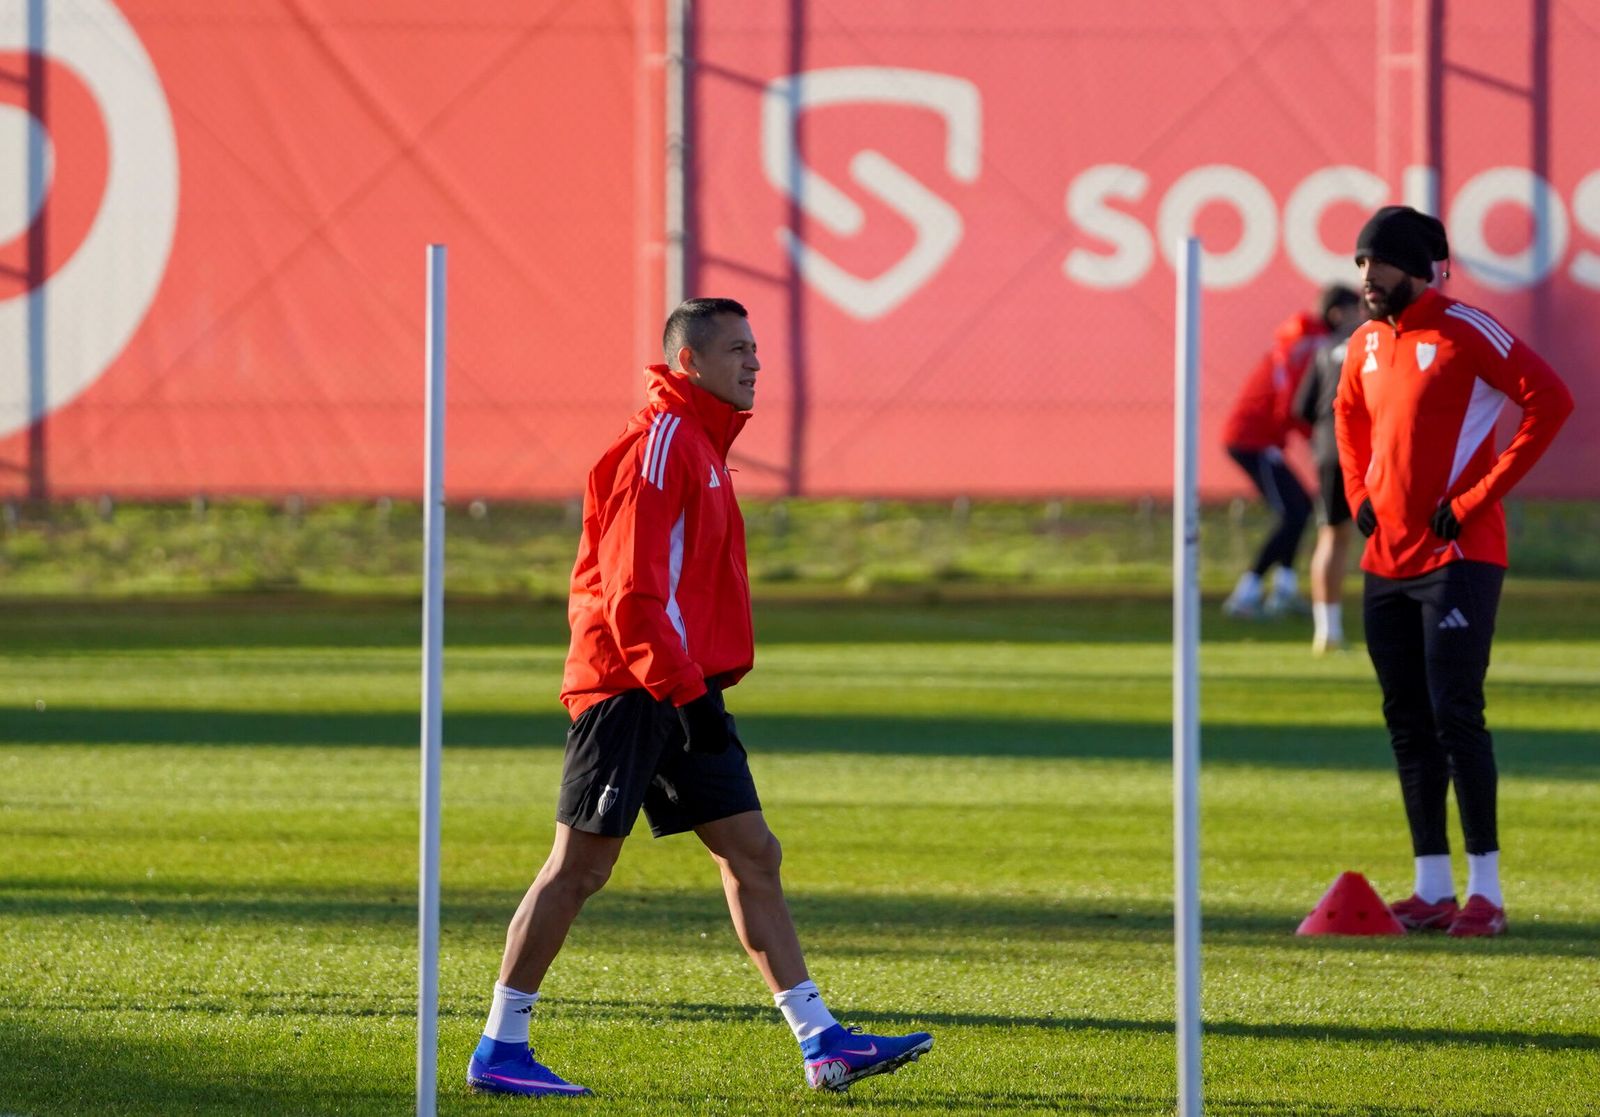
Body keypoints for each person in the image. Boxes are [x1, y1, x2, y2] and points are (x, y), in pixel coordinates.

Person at [466, 298, 934, 1097]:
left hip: (683, 686)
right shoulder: (662, 443)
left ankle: (822, 1042)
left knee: (753, 854)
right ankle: (500, 1047)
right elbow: (630, 593)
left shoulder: (704, 444)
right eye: (737, 349)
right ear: (689, 361)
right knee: (579, 867)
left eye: (755, 348)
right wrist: (684, 693)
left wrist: (696, 691)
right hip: (631, 687)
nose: (755, 362)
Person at [1334, 206, 1573, 938]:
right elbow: (1347, 418)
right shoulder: (1363, 343)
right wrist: (1358, 494)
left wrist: (1474, 499)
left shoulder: (1467, 329)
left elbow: (1550, 401)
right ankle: (1431, 887)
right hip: (1386, 561)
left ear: (1416, 266)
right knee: (1407, 720)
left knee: (1455, 714)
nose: (1367, 275)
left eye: (1379, 261)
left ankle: (1486, 894)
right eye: (1361, 262)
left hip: (1458, 558)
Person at [1220, 287, 1358, 618]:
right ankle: (1246, 594)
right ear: (1338, 313)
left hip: (1260, 438)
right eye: (1355, 311)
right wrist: (1322, 442)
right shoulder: (1315, 345)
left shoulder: (1304, 340)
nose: (1361, 319)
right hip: (1253, 439)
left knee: (1300, 510)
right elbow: (1297, 405)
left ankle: (1283, 588)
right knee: (1294, 514)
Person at [1292, 287, 1366, 653]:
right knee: (1386, 535)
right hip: (1364, 450)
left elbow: (1302, 407)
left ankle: (1327, 631)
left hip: (1327, 452)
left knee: (1331, 536)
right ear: (1339, 312)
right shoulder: (1371, 343)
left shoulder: (1323, 350)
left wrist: (1323, 437)